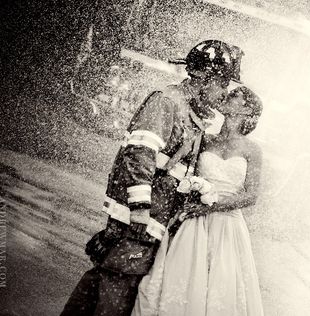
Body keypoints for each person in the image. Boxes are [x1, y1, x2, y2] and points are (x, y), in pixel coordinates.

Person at [60, 40, 244, 316]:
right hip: (139, 220)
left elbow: (172, 170)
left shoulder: (191, 112)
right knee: (118, 293)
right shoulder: (167, 103)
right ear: (205, 77)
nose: (224, 92)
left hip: (150, 221)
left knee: (102, 282)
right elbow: (139, 153)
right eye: (223, 83)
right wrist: (140, 211)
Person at [132, 86, 264, 316]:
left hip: (227, 226)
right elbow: (182, 170)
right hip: (195, 221)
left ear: (247, 111)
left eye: (235, 96)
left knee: (221, 285)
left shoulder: (252, 149)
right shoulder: (205, 139)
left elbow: (251, 195)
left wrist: (210, 205)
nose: (227, 95)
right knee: (182, 277)